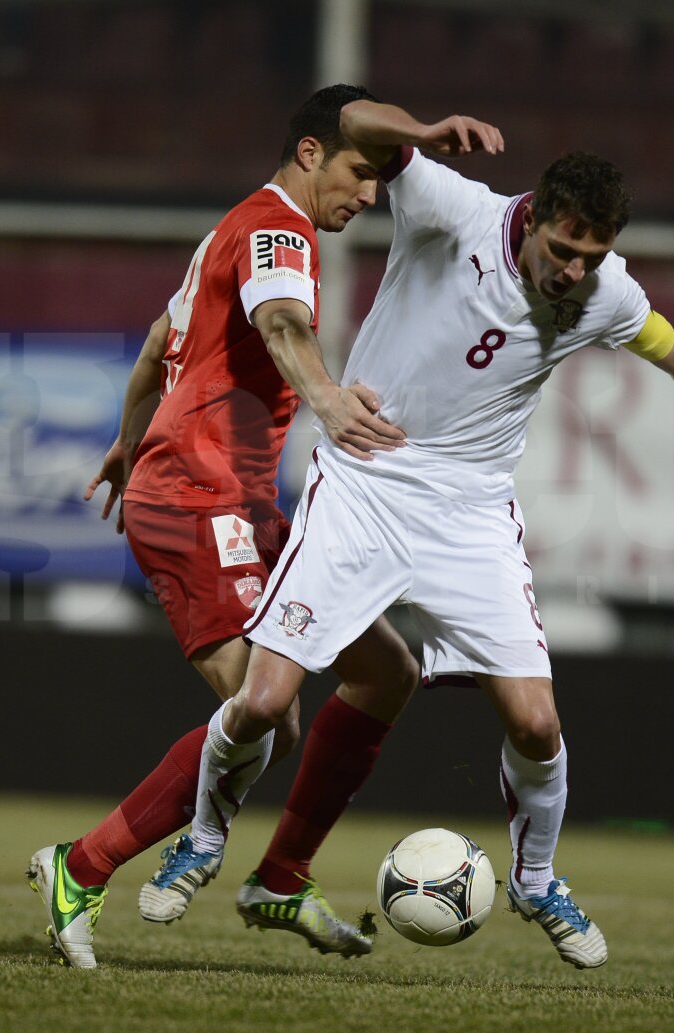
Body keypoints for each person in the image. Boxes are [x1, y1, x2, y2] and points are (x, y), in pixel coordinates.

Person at [171, 97, 674, 971]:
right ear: (532, 218)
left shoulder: (608, 294)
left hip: (472, 512)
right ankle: (202, 839)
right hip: (368, 481)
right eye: (564, 250)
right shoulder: (451, 206)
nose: (574, 271)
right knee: (266, 699)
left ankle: (536, 880)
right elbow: (352, 119)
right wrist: (419, 134)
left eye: (592, 257)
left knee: (536, 722)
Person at [26, 84, 424, 970]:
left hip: (232, 500)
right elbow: (283, 323)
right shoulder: (278, 229)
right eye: (361, 172)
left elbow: (152, 346)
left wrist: (127, 444)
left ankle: (281, 875)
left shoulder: (230, 228)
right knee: (265, 713)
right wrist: (323, 394)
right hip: (201, 498)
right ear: (312, 152)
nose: (368, 197)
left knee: (386, 670)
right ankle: (78, 867)